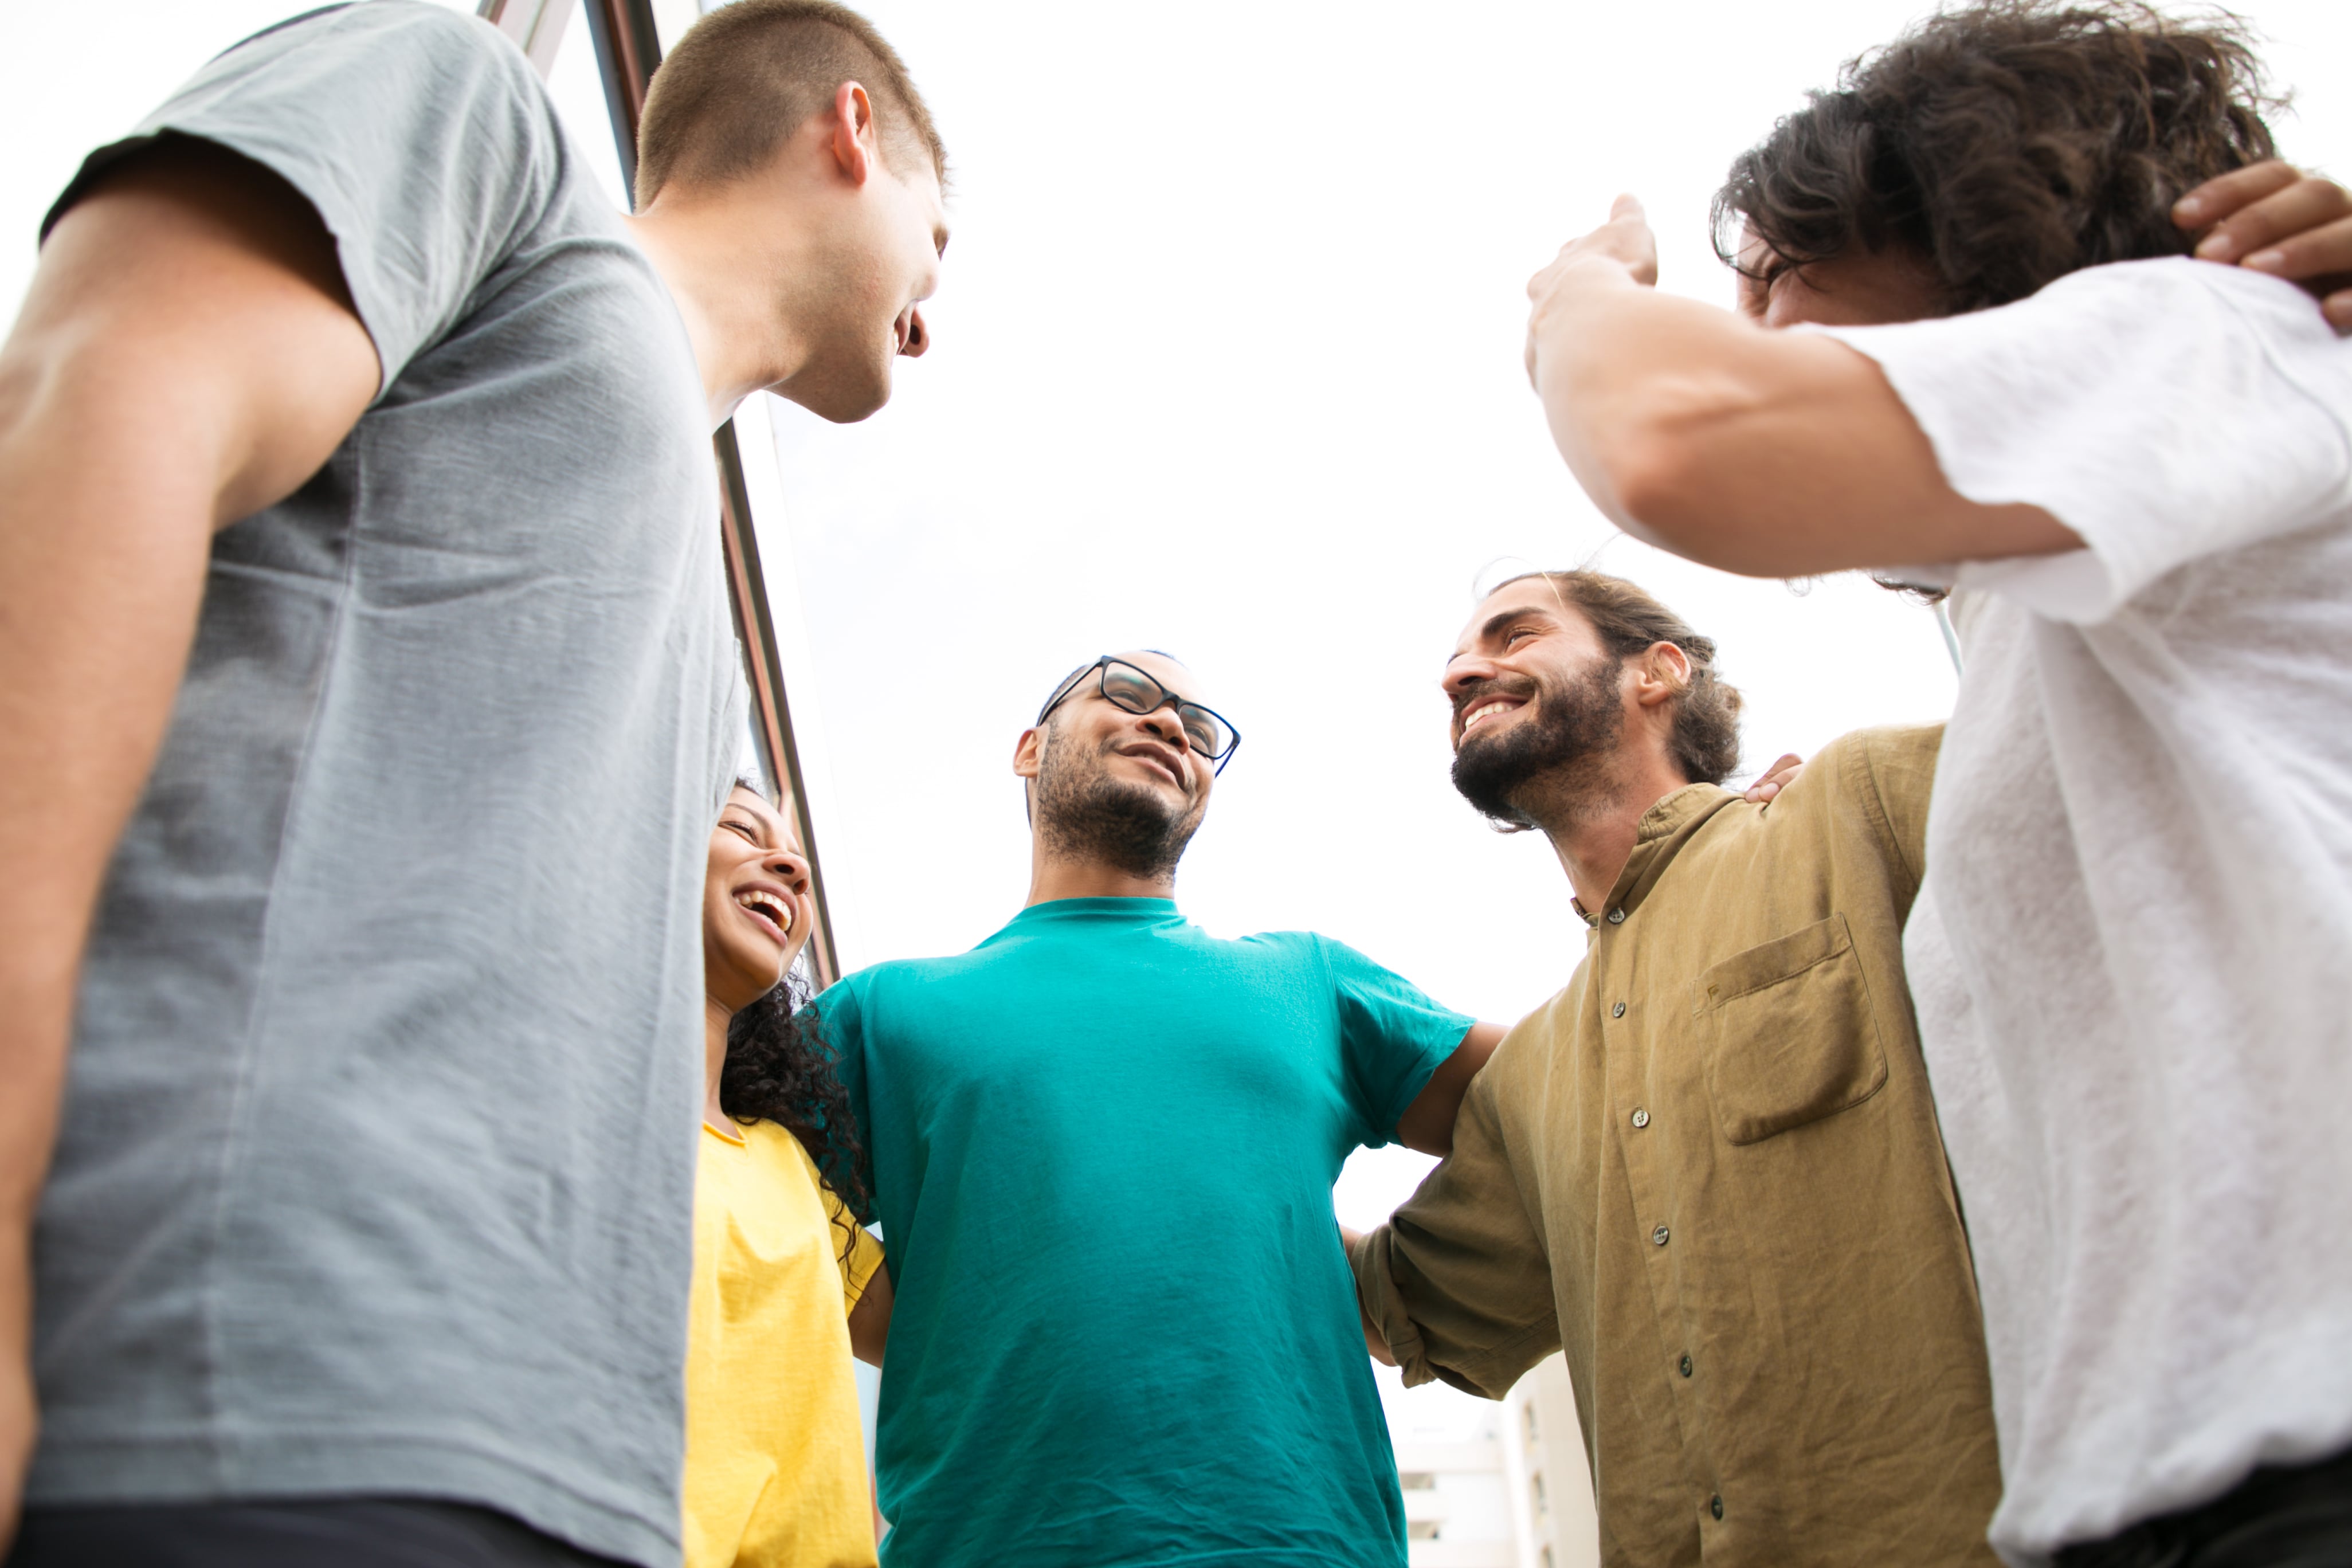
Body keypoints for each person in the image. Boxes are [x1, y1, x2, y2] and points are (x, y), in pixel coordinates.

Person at [0, 1, 946, 1562]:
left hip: (544, 1478)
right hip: (227, 1392)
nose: (932, 309)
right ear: (851, 133)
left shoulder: (690, 605)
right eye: (940, 238)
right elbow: (91, 417)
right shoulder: (476, 120)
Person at [1519, 3, 2352, 1563]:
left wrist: (1577, 298)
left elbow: (1680, 438)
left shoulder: (2221, 330)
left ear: (1971, 231)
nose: (1749, 331)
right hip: (2158, 1497)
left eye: (1774, 278)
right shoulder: (2054, 629)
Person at [1349, 570, 1996, 1566]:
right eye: (1457, 664)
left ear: (1658, 673)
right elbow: (1391, 1306)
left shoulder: (1857, 813)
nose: (1465, 673)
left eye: (1515, 635)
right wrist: (1224, 1072)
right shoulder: (1530, 1079)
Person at [811, 650, 1506, 1568]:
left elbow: (1564, 1093)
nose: (1175, 726)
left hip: (1303, 1545)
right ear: (1029, 749)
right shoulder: (884, 1010)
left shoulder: (1308, 980)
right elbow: (750, 1202)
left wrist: (1394, 1278)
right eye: (1130, 694)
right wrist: (946, 1324)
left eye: (1201, 729)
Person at [688, 782, 889, 1568]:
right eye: (741, 826)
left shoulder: (786, 1164)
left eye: (800, 862)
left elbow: (940, 1340)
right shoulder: (548, 1087)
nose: (791, 871)